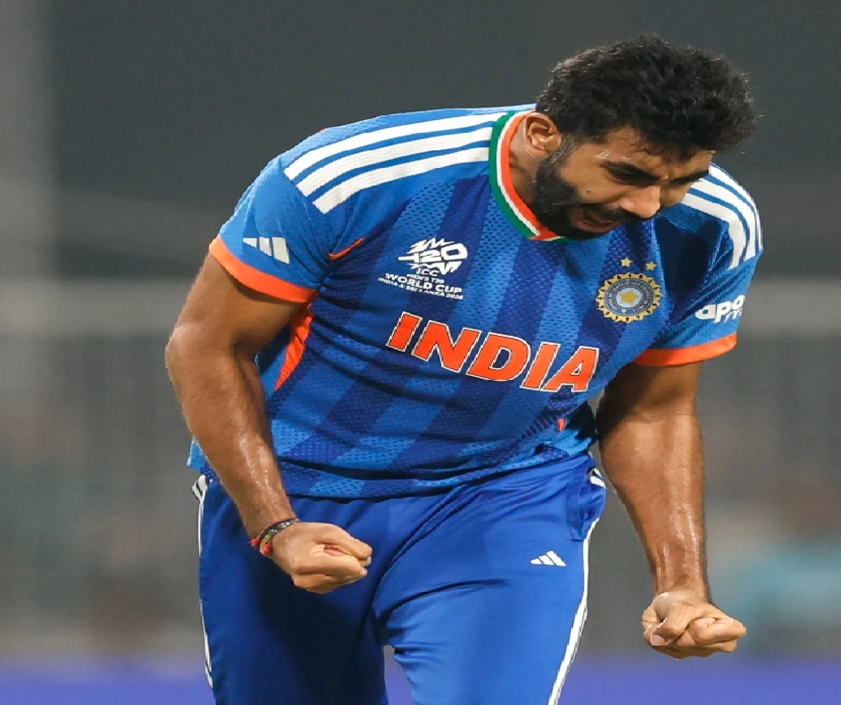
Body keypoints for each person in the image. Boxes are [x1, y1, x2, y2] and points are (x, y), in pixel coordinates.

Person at [166, 35, 761, 704]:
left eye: (680, 181)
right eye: (627, 174)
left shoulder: (715, 227)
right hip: (301, 484)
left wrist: (681, 584)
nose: (648, 206)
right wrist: (275, 524)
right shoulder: (354, 177)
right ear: (542, 134)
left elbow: (654, 409)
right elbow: (208, 346)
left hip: (503, 494)